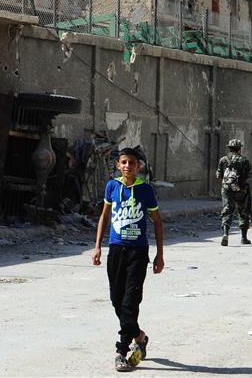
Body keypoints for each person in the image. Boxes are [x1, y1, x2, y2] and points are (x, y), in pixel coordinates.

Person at [92, 147, 165, 372]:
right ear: (118, 165)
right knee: (116, 299)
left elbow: (157, 222)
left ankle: (122, 351)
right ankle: (139, 336)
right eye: (123, 162)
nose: (127, 166)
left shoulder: (145, 190)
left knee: (129, 301)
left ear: (138, 166)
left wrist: (159, 255)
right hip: (116, 250)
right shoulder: (112, 186)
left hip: (138, 252)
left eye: (131, 163)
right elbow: (105, 215)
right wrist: (97, 247)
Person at [216, 138, 252, 246]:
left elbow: (219, 176)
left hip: (227, 190)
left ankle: (225, 234)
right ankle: (243, 238)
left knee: (227, 210)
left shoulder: (223, 160)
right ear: (239, 149)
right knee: (243, 212)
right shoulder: (244, 160)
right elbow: (249, 175)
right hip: (241, 190)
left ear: (229, 148)